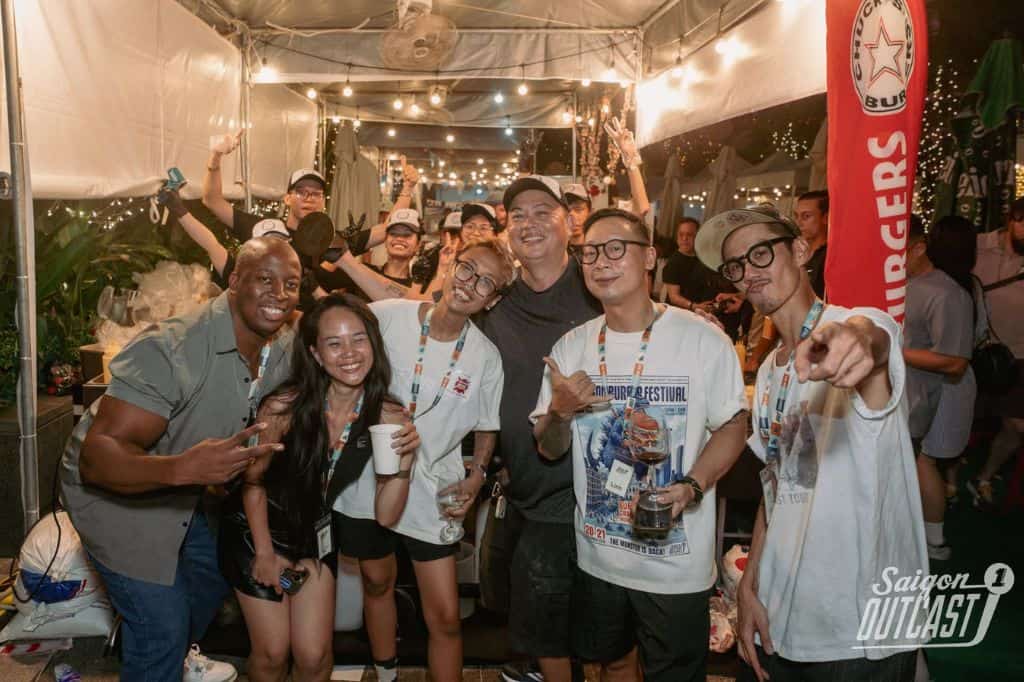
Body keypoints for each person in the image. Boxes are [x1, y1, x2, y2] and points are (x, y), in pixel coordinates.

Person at [695, 206, 926, 681]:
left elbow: (873, 339)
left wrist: (858, 342)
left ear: (800, 250)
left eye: (761, 254)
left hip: (860, 628)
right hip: (784, 616)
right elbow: (775, 484)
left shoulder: (851, 326)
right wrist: (750, 584)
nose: (749, 274)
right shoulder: (771, 368)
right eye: (736, 266)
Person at [59, 238, 304, 682]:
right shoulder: (173, 348)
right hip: (117, 495)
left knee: (209, 583)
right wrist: (184, 469)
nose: (279, 294)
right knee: (161, 626)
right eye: (264, 280)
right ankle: (157, 651)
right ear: (234, 281)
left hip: (189, 492)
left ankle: (165, 657)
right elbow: (98, 460)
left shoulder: (281, 344)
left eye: (291, 284)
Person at [532, 208, 749, 681]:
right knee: (610, 664)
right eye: (589, 252)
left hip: (676, 566)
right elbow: (548, 448)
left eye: (615, 248)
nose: (600, 262)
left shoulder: (701, 339)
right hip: (598, 558)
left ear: (649, 256)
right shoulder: (571, 347)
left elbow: (734, 424)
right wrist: (560, 410)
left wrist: (692, 485)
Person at [332, 238, 514, 682]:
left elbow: (488, 424)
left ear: (494, 298)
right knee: (377, 584)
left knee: (446, 616)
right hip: (368, 481)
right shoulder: (388, 317)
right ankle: (387, 673)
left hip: (435, 489)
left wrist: (476, 475)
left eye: (486, 282)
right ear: (452, 263)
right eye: (468, 269)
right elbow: (339, 356)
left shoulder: (485, 358)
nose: (470, 285)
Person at [218, 293, 420, 682]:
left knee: (313, 659)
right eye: (334, 343)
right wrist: (263, 553)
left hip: (314, 542)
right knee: (274, 653)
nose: (350, 353)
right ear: (314, 353)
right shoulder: (283, 409)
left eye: (359, 339)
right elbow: (253, 482)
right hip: (256, 535)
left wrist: (404, 467)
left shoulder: (388, 414)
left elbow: (386, 515)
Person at [903, 215, 978, 560]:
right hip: (907, 396)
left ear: (919, 247)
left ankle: (934, 541)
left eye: (899, 251)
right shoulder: (903, 284)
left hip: (935, 395)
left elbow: (955, 361)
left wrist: (891, 352)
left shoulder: (945, 292)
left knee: (924, 462)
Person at [970, 197, 1024, 510]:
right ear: (1010, 219)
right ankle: (949, 480)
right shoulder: (979, 246)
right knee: (963, 420)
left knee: (1016, 425)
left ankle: (985, 476)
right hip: (977, 350)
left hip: (1018, 353)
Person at [369, 208, 422, 287]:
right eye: (393, 233)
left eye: (407, 235)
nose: (399, 239)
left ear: (418, 245)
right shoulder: (366, 273)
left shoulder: (419, 288)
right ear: (385, 241)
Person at [793, 190, 829, 298]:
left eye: (806, 216)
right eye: (796, 216)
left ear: (825, 218)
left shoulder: (829, 258)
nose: (799, 223)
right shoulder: (795, 252)